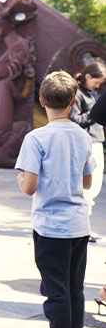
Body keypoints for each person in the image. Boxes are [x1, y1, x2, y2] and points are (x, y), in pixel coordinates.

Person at [13, 70, 95, 328]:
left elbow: (29, 186)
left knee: (56, 291)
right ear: (74, 102)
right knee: (75, 288)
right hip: (79, 224)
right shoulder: (83, 136)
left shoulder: (37, 138)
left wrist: (22, 176)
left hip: (51, 227)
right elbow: (87, 183)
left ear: (41, 100)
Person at [69, 61, 104, 242]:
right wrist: (94, 114)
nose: (98, 86)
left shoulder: (93, 93)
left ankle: (85, 226)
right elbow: (73, 119)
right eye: (97, 82)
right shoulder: (77, 93)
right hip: (87, 143)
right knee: (87, 187)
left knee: (95, 186)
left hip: (97, 141)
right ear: (88, 76)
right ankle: (82, 227)